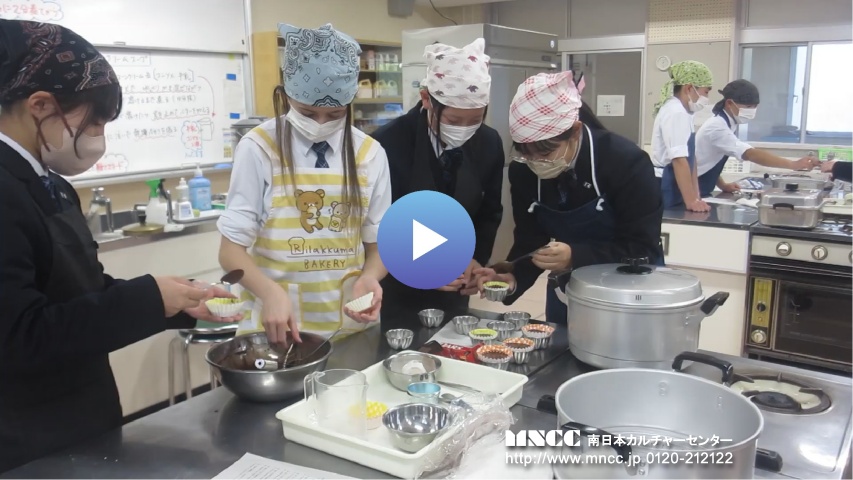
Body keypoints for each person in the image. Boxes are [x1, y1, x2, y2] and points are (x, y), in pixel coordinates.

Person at [0, 20, 238, 472]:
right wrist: (149, 299)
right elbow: (19, 338)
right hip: (28, 441)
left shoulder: (51, 185)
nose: (98, 138)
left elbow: (82, 290)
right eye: (94, 121)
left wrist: (178, 302)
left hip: (84, 418)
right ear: (40, 105)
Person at [217, 24, 391, 345]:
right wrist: (269, 292)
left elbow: (378, 244)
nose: (320, 124)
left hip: (349, 329)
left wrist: (370, 276)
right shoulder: (259, 147)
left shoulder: (370, 154)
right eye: (307, 113)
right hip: (277, 330)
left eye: (335, 114)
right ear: (286, 95)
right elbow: (230, 252)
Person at [473, 72, 663, 324]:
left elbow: (642, 246)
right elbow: (531, 239)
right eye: (526, 153)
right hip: (567, 288)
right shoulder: (524, 171)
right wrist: (515, 276)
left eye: (545, 154)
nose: (535, 162)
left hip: (630, 290)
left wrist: (576, 256)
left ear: (574, 131)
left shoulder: (626, 162)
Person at [371, 38, 503, 320]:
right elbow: (378, 222)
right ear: (426, 99)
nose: (464, 129)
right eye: (453, 121)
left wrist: (475, 260)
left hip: (456, 280)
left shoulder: (489, 142)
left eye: (475, 120)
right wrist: (420, 267)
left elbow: (489, 211)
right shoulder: (388, 142)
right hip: (396, 283)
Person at [695, 79, 819, 196]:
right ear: (729, 103)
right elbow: (750, 154)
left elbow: (710, 162)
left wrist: (723, 185)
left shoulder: (728, 123)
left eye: (755, 106)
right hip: (694, 188)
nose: (752, 110)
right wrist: (793, 164)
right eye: (748, 107)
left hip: (702, 187)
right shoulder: (717, 128)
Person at [651, 60, 713, 212]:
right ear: (689, 88)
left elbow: (691, 159)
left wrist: (696, 195)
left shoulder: (686, 113)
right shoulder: (675, 112)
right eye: (706, 92)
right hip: (666, 183)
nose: (707, 97)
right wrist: (691, 201)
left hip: (675, 182)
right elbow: (678, 159)